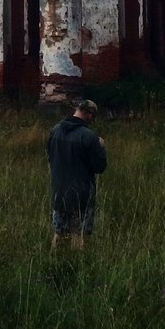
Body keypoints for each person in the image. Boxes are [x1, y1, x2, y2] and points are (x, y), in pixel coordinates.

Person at [47, 98, 108, 249]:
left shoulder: (55, 130)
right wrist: (101, 147)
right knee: (77, 233)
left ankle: (53, 261)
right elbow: (99, 167)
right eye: (92, 117)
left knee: (58, 232)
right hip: (81, 194)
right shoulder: (89, 137)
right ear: (89, 114)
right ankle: (76, 265)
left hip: (58, 191)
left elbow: (50, 157)